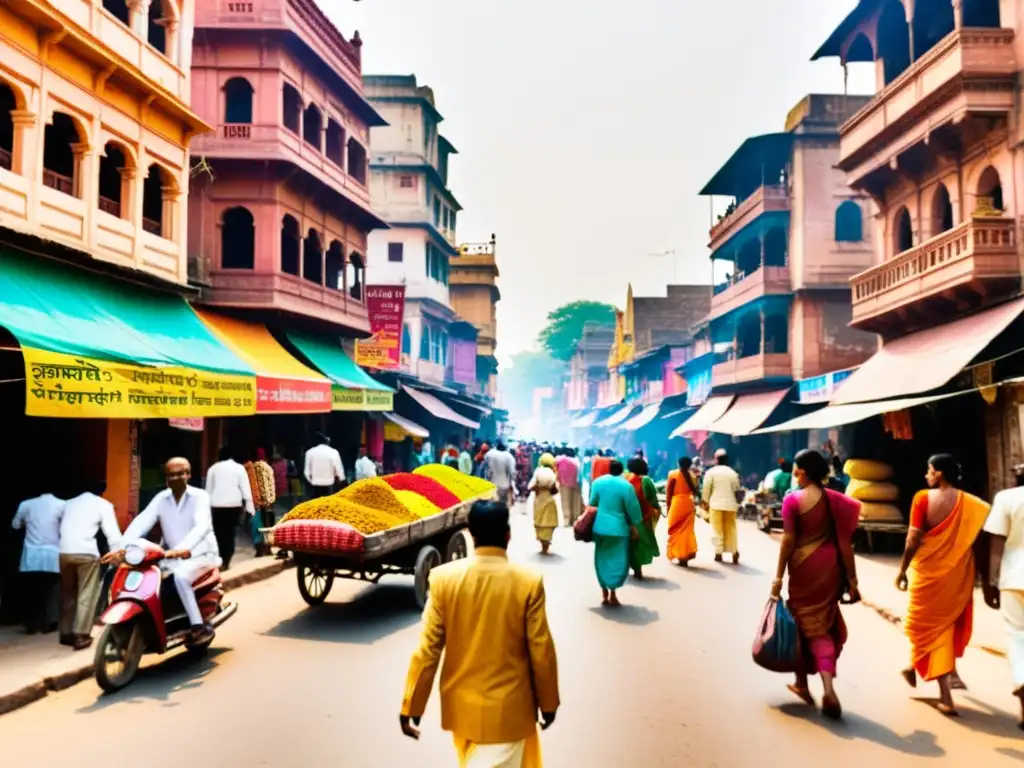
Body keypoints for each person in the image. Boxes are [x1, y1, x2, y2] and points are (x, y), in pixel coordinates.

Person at [400, 500, 559, 766]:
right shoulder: (528, 582)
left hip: (463, 714)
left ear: (471, 535)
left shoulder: (443, 580)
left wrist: (411, 707)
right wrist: (549, 703)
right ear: (508, 535)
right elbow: (541, 651)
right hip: (510, 713)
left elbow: (427, 651)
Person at [896, 453, 989, 716]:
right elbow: (978, 542)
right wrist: (983, 575)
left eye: (929, 470)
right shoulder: (971, 503)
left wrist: (902, 569)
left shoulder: (922, 498)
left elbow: (912, 539)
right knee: (943, 625)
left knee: (928, 627)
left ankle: (946, 697)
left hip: (928, 571)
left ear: (938, 474)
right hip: (959, 570)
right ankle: (913, 666)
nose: (926, 474)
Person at [771, 450, 861, 720]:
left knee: (802, 623)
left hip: (802, 568)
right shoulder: (837, 501)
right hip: (830, 568)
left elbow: (788, 541)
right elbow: (846, 544)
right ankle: (816, 685)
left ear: (805, 472)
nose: (795, 474)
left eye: (797, 470)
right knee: (820, 626)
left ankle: (815, 686)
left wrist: (778, 577)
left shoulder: (793, 501)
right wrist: (853, 580)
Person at [109, 457, 222, 645]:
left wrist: (181, 550)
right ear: (166, 478)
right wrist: (121, 548)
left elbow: (201, 527)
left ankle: (198, 625)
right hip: (171, 556)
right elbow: (142, 521)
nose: (176, 478)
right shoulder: (161, 499)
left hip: (200, 554)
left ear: (188, 474)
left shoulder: (200, 497)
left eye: (180, 473)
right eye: (171, 475)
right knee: (147, 576)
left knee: (180, 578)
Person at [58, 481, 122, 650]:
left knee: (68, 592)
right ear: (102, 491)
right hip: (86, 553)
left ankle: (65, 633)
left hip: (64, 552)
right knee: (87, 592)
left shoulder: (68, 504)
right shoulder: (103, 504)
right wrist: (117, 554)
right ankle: (81, 635)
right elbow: (112, 533)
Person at [983, 466, 1024, 727]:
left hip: (1014, 577)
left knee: (1017, 635)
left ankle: (1022, 682)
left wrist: (990, 580)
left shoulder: (1007, 498)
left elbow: (996, 544)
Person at [588, 460, 644, 607]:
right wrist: (635, 525)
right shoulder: (626, 486)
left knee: (601, 558)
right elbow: (633, 508)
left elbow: (592, 503)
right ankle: (613, 592)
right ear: (621, 470)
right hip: (619, 529)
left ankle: (604, 593)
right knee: (618, 560)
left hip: (600, 527)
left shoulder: (598, 483)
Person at [11, 489, 65, 634]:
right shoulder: (62, 505)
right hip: (53, 556)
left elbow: (15, 525)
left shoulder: (26, 504)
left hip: (31, 556)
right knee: (52, 589)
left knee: (32, 590)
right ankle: (50, 621)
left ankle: (31, 623)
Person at [206, 446, 255, 570]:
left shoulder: (212, 469)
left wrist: (205, 508)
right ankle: (226, 559)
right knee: (230, 533)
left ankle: (219, 559)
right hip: (234, 505)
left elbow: (208, 490)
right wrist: (250, 507)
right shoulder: (239, 469)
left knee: (218, 533)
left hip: (216, 505)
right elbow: (245, 489)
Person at [701, 449, 742, 564]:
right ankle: (734, 552)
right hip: (731, 505)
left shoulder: (711, 472)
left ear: (716, 459)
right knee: (731, 529)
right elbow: (737, 490)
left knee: (717, 528)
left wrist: (705, 502)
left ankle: (718, 552)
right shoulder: (733, 473)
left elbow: (706, 489)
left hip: (715, 505)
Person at [624, 457, 660, 579]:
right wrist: (656, 509)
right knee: (640, 541)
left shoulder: (625, 478)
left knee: (628, 541)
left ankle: (627, 565)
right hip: (643, 515)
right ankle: (637, 568)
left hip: (627, 515)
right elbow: (653, 499)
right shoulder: (646, 481)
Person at [665, 457, 699, 566]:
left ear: (678, 463)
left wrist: (668, 507)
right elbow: (695, 491)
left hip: (677, 503)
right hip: (688, 503)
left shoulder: (672, 474)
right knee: (686, 530)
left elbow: (669, 493)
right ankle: (685, 554)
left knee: (675, 530)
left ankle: (680, 554)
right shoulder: (693, 476)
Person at [529, 453, 560, 555]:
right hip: (549, 500)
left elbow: (531, 486)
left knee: (539, 522)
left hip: (539, 499)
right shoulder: (552, 473)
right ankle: (547, 543)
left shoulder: (538, 472)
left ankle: (543, 544)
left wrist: (538, 488)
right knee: (548, 522)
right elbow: (555, 489)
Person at [249, 449, 277, 557]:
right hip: (268, 501)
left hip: (255, 501)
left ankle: (259, 548)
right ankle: (268, 547)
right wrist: (270, 500)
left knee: (256, 524)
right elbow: (271, 485)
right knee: (268, 524)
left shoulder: (251, 468)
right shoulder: (268, 468)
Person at [305, 433, 346, 497]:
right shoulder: (333, 452)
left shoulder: (310, 452)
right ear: (327, 442)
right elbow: (339, 469)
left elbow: (306, 472)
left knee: (316, 502)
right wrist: (341, 479)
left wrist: (310, 481)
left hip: (315, 483)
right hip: (329, 483)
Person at [555, 447, 583, 527]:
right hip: (576, 483)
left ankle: (567, 520)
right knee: (575, 502)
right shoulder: (577, 461)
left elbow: (556, 467)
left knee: (565, 502)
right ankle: (575, 520)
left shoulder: (561, 460)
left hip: (564, 483)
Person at [485, 442, 517, 506]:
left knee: (492, 504)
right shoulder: (509, 456)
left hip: (491, 483)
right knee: (502, 505)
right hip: (504, 485)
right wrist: (513, 482)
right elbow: (512, 472)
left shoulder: (489, 454)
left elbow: (486, 469)